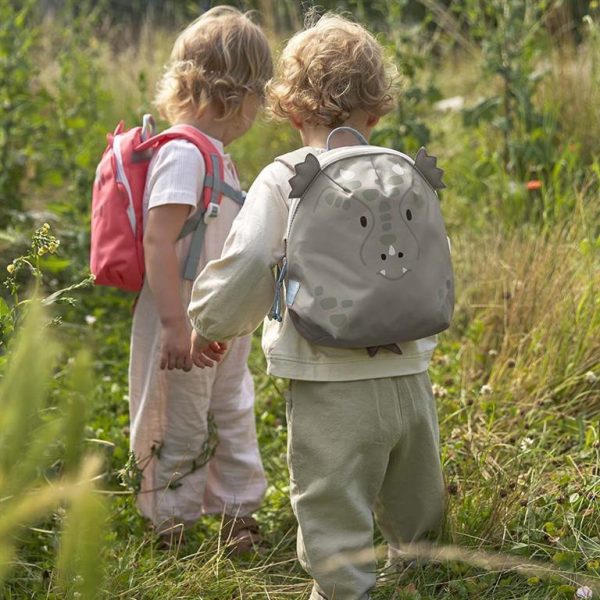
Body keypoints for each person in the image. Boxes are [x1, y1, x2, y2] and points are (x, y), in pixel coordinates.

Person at [188, 13, 445, 600]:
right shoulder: (404, 172)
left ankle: (344, 590)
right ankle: (426, 573)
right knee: (415, 496)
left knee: (331, 500)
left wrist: (211, 321)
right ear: (377, 113)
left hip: (327, 376)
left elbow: (252, 260)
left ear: (292, 111)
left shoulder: (286, 177)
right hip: (410, 371)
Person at [128, 6, 271, 551]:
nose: (258, 109)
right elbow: (158, 240)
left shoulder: (217, 156)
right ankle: (173, 525)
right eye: (257, 95)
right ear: (232, 96)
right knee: (182, 422)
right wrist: (172, 325)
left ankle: (238, 516)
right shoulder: (184, 154)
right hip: (182, 323)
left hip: (220, 325)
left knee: (234, 410)